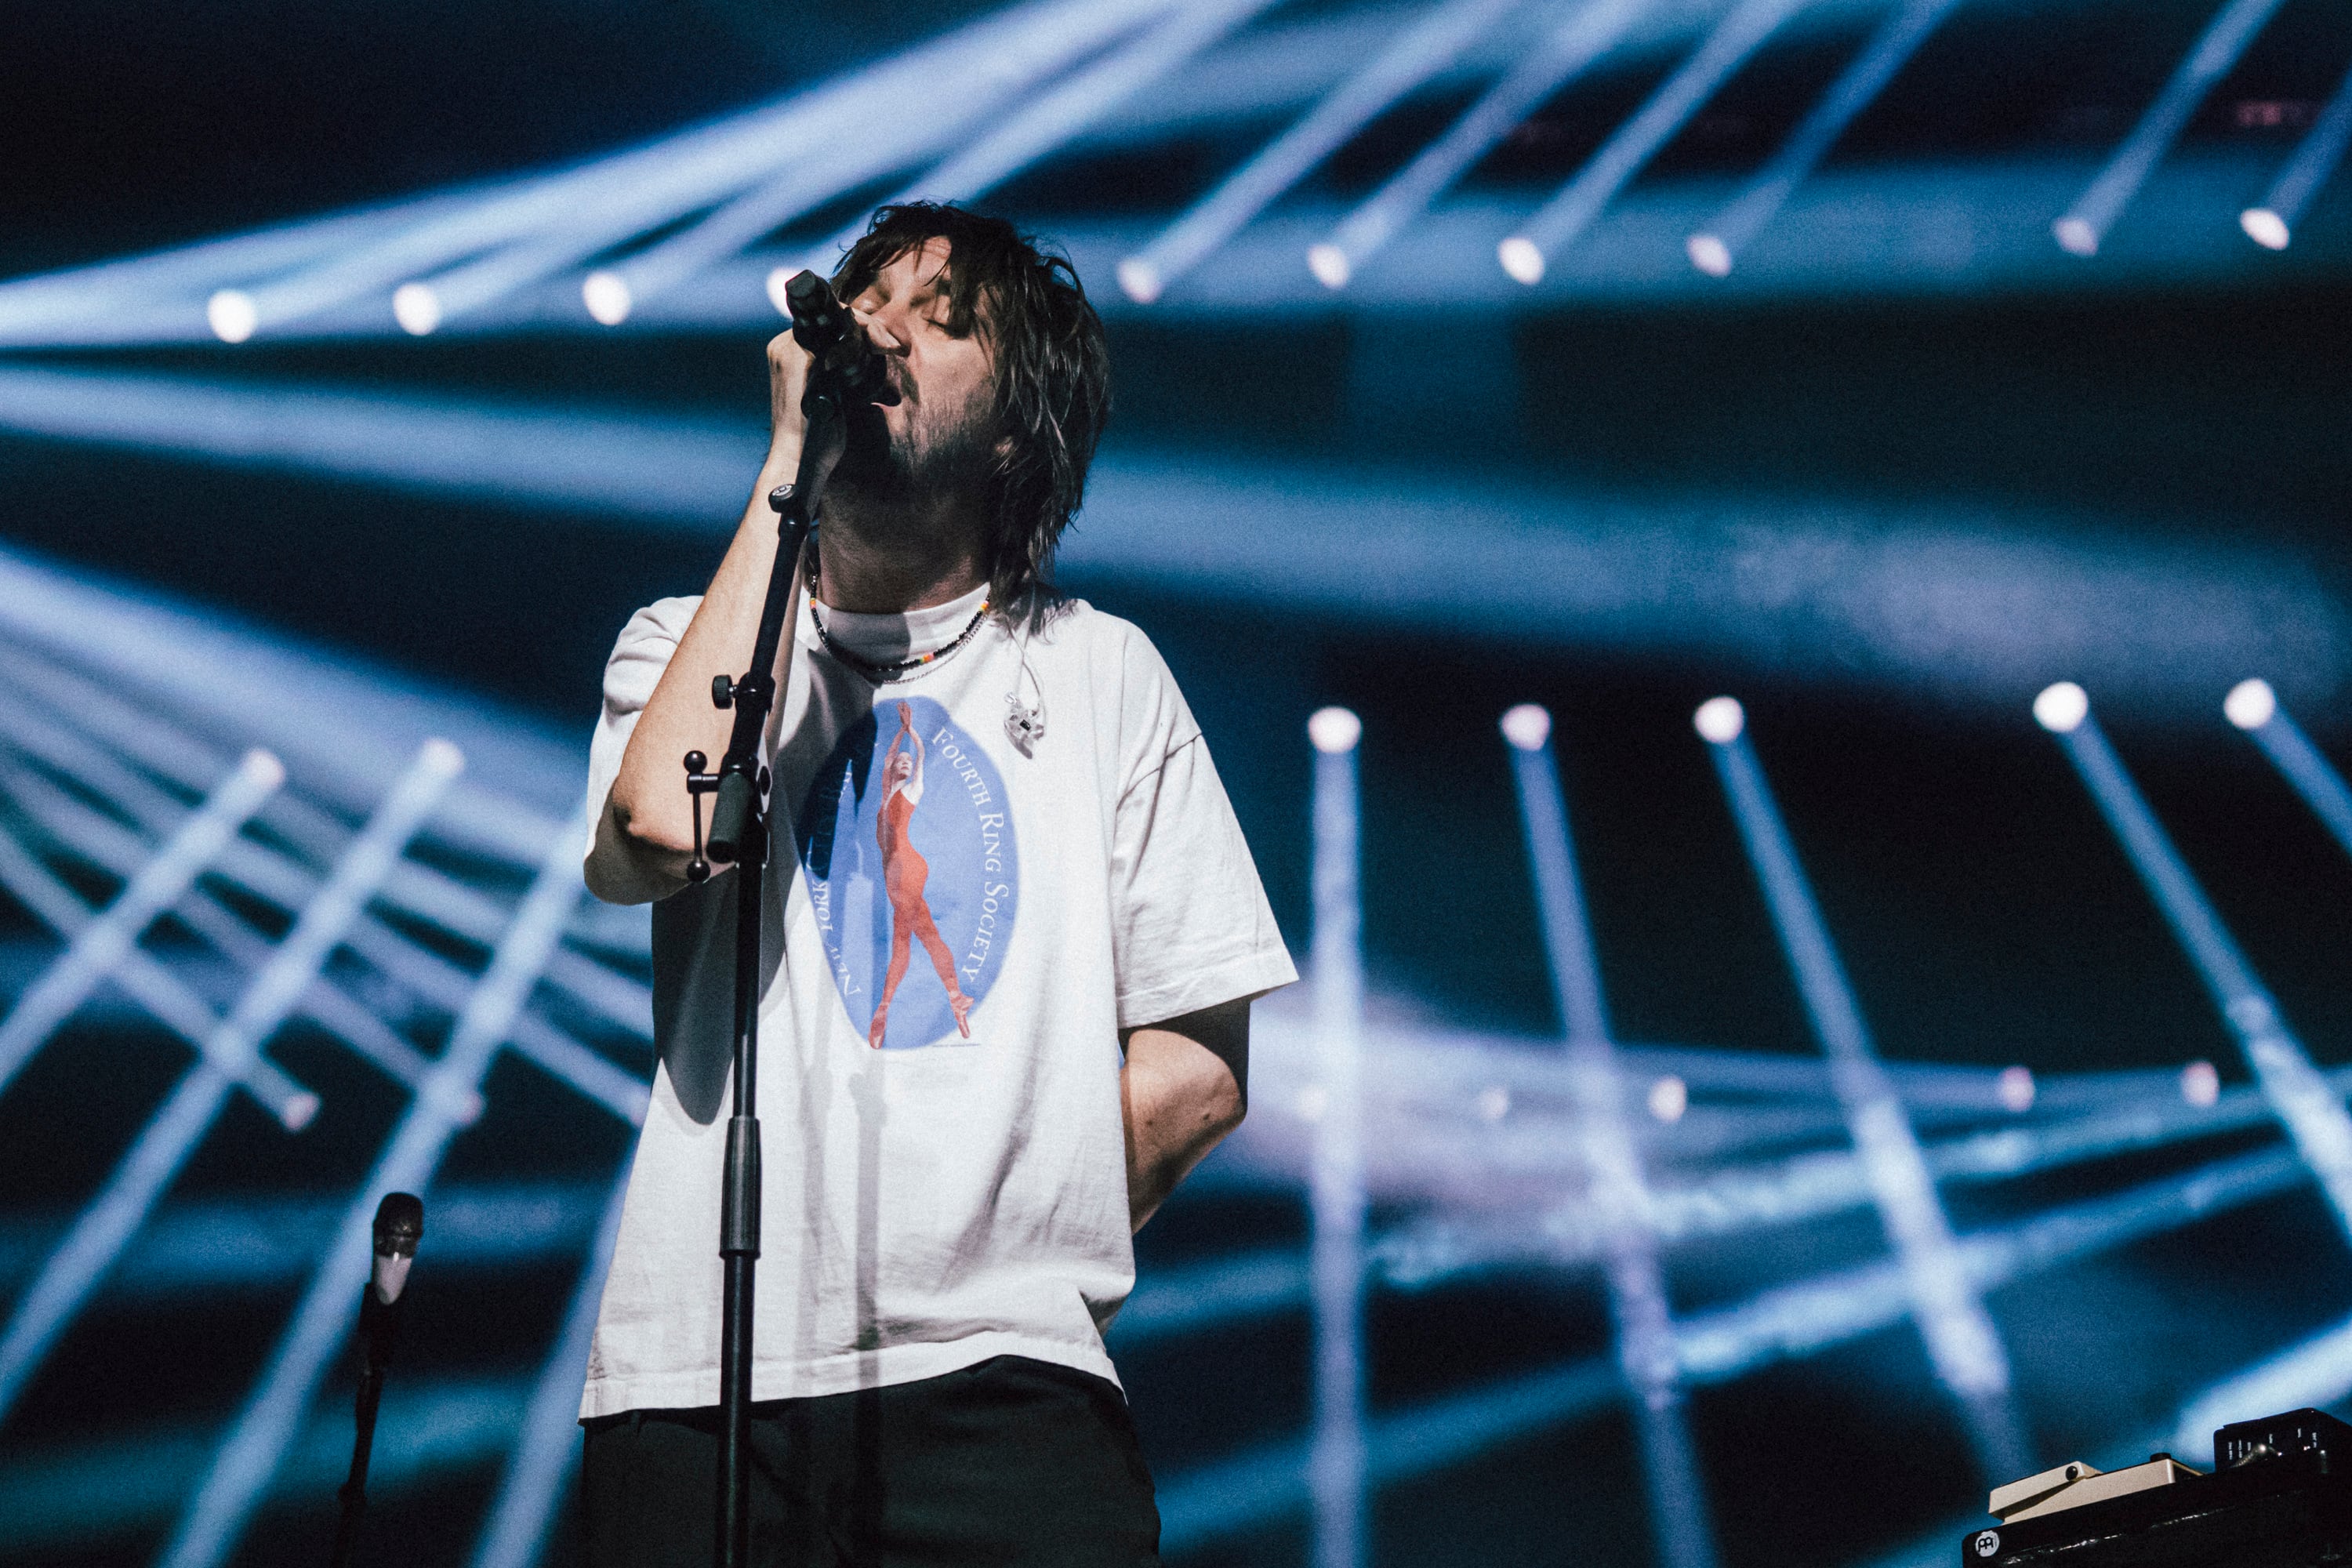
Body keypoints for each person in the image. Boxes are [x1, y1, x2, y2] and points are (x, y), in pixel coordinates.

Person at [578, 202, 1296, 1566]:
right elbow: (659, 828)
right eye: (869, 301)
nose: (882, 332)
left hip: (1005, 1400)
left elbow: (1199, 1069)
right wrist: (789, 467)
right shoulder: (681, 641)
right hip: (699, 1378)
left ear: (1016, 428)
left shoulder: (1099, 670)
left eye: (939, 318)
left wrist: (1001, 1231)